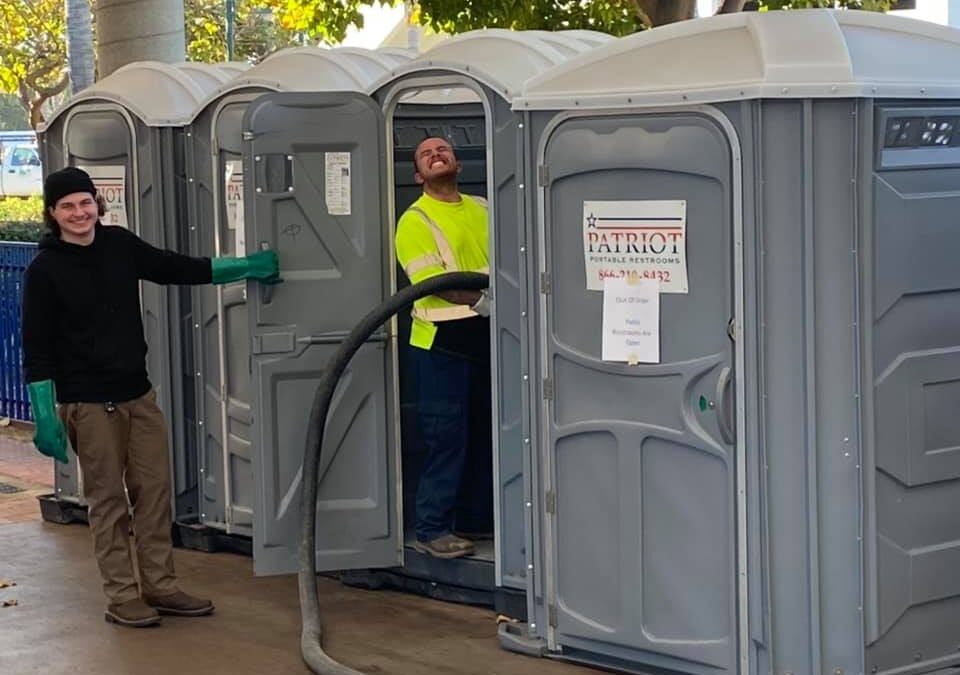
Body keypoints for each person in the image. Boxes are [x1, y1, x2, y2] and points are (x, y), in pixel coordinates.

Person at [21, 166, 280, 627]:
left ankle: (160, 586)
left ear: (96, 204)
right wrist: (45, 415)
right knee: (108, 502)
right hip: (88, 403)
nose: (79, 213)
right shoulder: (45, 270)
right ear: (52, 214)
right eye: (67, 207)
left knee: (154, 493)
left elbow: (174, 267)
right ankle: (122, 596)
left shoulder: (119, 244)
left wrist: (245, 267)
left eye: (85, 203)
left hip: (138, 396)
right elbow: (36, 348)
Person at [395, 137, 493, 559]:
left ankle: (475, 520)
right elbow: (436, 285)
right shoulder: (415, 220)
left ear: (458, 162)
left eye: (444, 149)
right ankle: (431, 528)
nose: (437, 154)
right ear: (418, 175)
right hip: (440, 346)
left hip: (487, 336)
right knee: (446, 437)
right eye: (427, 154)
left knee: (486, 432)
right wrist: (490, 301)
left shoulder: (485, 207)